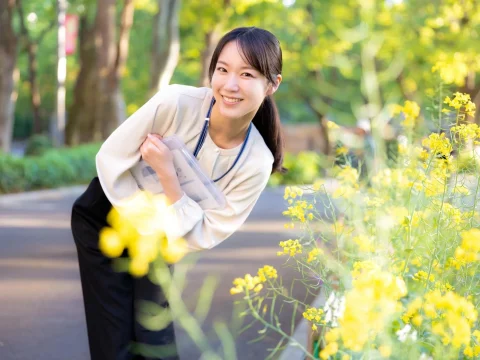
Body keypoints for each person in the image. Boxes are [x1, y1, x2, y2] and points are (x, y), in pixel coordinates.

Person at [70, 26, 285, 360]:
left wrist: (168, 176)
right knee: (114, 337)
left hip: (165, 236)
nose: (230, 85)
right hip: (106, 215)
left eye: (246, 74)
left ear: (272, 84)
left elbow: (205, 232)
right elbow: (110, 159)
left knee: (153, 337)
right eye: (222, 70)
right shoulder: (176, 103)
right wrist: (151, 221)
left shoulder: (256, 162)